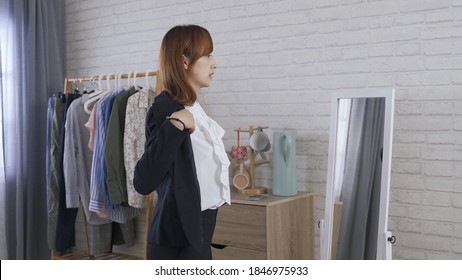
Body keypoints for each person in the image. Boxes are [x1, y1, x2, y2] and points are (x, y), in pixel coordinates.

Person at [134, 25, 230, 260]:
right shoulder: (166, 110)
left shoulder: (196, 109)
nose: (213, 63)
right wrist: (175, 126)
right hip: (176, 242)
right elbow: (143, 181)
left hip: (199, 232)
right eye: (207, 55)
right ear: (184, 61)